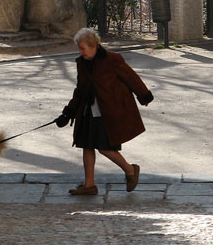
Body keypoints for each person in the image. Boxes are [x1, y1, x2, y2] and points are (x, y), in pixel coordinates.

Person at [56, 28, 154, 195]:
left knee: (105, 147)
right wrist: (68, 112)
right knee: (86, 146)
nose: (80, 52)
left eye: (83, 48)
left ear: (94, 46)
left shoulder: (112, 60)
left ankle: (130, 170)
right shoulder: (82, 63)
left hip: (108, 112)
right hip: (88, 110)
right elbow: (80, 89)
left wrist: (144, 95)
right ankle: (89, 185)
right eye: (79, 48)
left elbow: (131, 78)